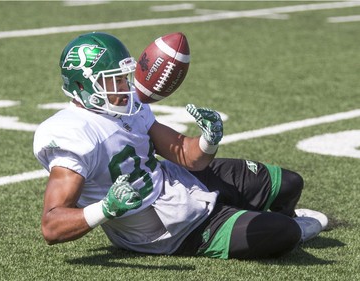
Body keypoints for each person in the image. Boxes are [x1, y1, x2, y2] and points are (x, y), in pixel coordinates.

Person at [33, 32, 328, 260]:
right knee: (283, 234)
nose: (125, 88)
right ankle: (265, 220)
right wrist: (106, 208)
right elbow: (52, 226)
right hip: (171, 228)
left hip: (177, 181)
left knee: (289, 183)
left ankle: (250, 211)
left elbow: (188, 156)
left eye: (124, 78)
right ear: (82, 87)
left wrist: (208, 140)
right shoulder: (73, 134)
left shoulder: (129, 106)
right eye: (114, 81)